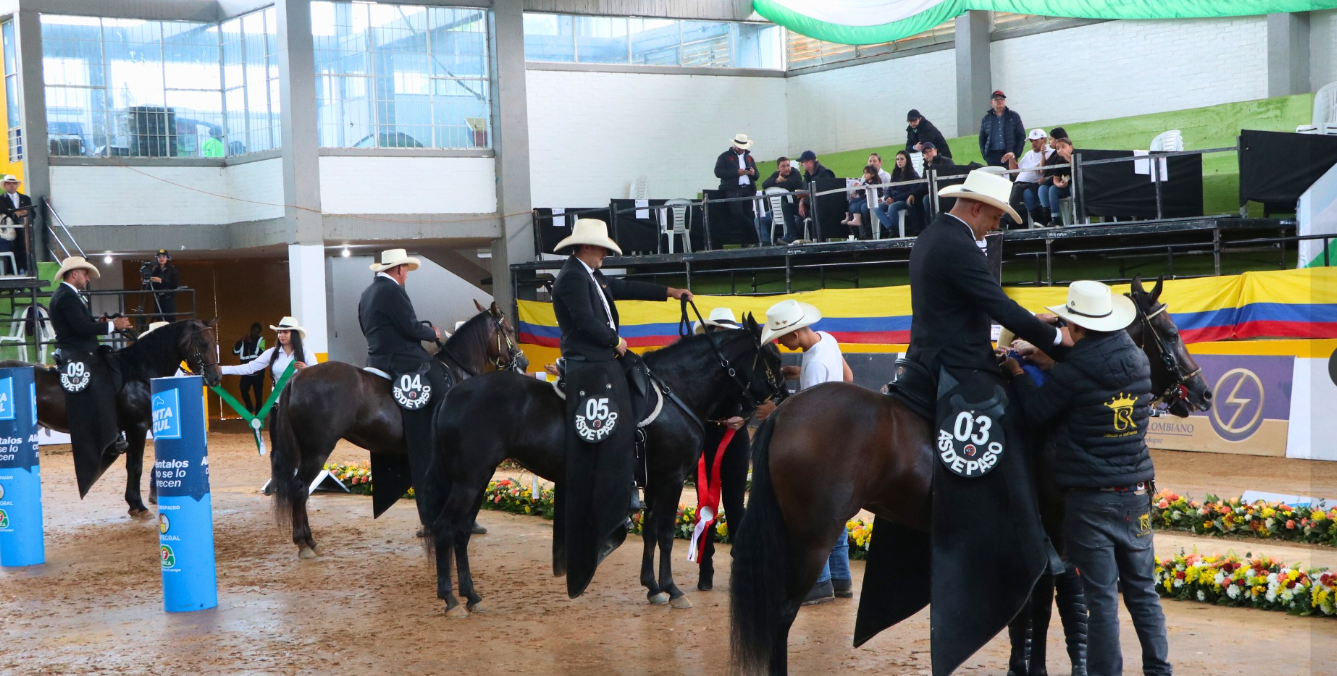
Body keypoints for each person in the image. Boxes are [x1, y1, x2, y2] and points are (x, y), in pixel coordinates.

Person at [883, 168, 1072, 673]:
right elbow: (997, 305)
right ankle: (1028, 530)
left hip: (926, 356)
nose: (994, 225)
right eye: (993, 216)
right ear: (974, 207)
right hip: (959, 365)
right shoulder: (961, 242)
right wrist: (1054, 340)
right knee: (1015, 422)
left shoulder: (932, 235)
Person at [1003, 280, 1171, 676]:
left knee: (1101, 601)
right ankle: (1160, 671)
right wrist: (1054, 361)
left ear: (1077, 327)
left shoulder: (1074, 370)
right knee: (1144, 594)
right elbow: (1095, 368)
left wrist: (1017, 371)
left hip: (1091, 500)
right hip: (1136, 494)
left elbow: (1036, 412)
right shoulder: (1138, 360)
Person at [550, 218, 692, 598]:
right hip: (589, 362)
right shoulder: (572, 278)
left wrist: (669, 292)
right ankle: (623, 478)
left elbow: (627, 287)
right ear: (582, 248)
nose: (604, 254)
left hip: (606, 356)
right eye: (600, 249)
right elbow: (583, 321)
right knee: (620, 408)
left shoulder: (592, 275)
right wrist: (616, 341)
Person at [754, 299, 852, 604]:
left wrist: (775, 409)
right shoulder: (829, 341)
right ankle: (841, 578)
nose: (781, 343)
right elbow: (847, 379)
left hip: (821, 445)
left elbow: (808, 413)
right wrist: (800, 374)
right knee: (837, 512)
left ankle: (817, 583)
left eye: (781, 338)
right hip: (841, 438)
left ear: (794, 334)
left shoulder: (814, 362)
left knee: (813, 514)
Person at [358, 248, 447, 518]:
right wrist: (432, 332)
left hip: (376, 359)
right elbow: (410, 327)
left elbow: (366, 327)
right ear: (398, 269)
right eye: (406, 269)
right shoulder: (392, 290)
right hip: (402, 361)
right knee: (441, 383)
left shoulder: (367, 293)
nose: (407, 273)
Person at [49, 256, 132, 497]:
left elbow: (83, 324)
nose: (87, 279)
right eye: (85, 274)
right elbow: (81, 329)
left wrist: (100, 322)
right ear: (74, 274)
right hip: (77, 352)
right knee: (102, 379)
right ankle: (110, 434)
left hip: (78, 348)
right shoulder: (66, 297)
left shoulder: (66, 295)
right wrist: (112, 326)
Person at [221, 316, 316, 383]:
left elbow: (317, 376)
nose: (281, 335)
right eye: (279, 332)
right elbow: (250, 368)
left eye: (285, 332)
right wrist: (221, 369)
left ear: (294, 334)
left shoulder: (306, 353)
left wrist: (306, 369)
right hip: (278, 402)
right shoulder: (271, 353)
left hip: (300, 403)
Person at [714, 134, 759, 244]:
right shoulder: (724, 156)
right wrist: (736, 173)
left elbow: (757, 176)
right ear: (734, 145)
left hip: (748, 188)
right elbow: (718, 172)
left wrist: (752, 173)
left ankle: (746, 242)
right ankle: (755, 233)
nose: (741, 149)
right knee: (737, 213)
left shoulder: (749, 158)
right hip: (733, 189)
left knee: (748, 213)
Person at [1006, 129, 1054, 228]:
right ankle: (1039, 221)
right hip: (1022, 184)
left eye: (1035, 140)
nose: (1033, 143)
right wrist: (1012, 159)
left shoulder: (1050, 152)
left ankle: (1005, 219)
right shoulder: (1028, 154)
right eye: (1031, 141)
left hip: (1036, 184)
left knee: (1019, 188)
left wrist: (1042, 160)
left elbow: (1043, 171)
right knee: (1021, 190)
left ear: (1044, 140)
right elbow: (1015, 173)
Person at [875, 150, 927, 237]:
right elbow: (889, 188)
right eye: (897, 159)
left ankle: (895, 229)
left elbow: (911, 192)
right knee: (877, 207)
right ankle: (891, 229)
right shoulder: (895, 173)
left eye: (902, 159)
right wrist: (887, 197)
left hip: (904, 200)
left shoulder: (912, 174)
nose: (899, 161)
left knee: (892, 207)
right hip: (893, 199)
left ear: (907, 160)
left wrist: (894, 199)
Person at [759, 156, 803, 244]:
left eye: (788, 165)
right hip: (778, 211)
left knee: (798, 221)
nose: (787, 168)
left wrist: (778, 183)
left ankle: (790, 239)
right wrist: (776, 180)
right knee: (758, 219)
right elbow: (764, 185)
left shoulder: (795, 173)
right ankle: (765, 242)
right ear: (778, 168)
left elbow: (792, 183)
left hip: (795, 210)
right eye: (783, 166)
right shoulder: (776, 175)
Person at [979, 90, 1025, 169]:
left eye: (1002, 99)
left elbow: (1021, 136)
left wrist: (1016, 154)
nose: (1000, 101)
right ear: (991, 102)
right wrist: (985, 154)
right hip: (992, 156)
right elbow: (982, 138)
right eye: (997, 99)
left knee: (1009, 178)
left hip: (1009, 154)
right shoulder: (986, 119)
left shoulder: (1013, 116)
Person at [233, 323, 266, 415]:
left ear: (259, 333)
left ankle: (258, 414)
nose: (253, 333)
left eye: (256, 332)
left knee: (258, 394)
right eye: (252, 331)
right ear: (250, 329)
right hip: (246, 372)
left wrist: (251, 343)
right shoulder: (243, 341)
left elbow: (260, 353)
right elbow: (235, 352)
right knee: (243, 390)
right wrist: (240, 341)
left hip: (258, 373)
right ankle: (250, 407)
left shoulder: (261, 340)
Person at [0, 175, 31, 274]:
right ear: (5, 185)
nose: (12, 186)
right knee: (11, 250)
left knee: (25, 251)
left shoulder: (25, 198)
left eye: (14, 183)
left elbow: (32, 214)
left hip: (23, 231)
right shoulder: (1, 199)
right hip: (8, 231)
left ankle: (25, 271)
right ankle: (13, 272)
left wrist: (25, 213)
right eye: (9, 183)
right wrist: (13, 214)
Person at [1040, 137, 1075, 224]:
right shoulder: (1059, 161)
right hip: (1067, 185)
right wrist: (1059, 184)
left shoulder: (1075, 155)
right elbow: (1056, 178)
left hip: (1079, 185)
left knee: (1073, 188)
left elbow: (1075, 163)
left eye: (1063, 146)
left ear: (1070, 147)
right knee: (1053, 189)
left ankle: (1076, 215)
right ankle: (1055, 218)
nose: (1060, 150)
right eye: (1058, 148)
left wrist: (1065, 155)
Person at [796, 149, 835, 226]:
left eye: (802, 162)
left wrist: (805, 194)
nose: (801, 164)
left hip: (823, 207)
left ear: (810, 162)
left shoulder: (825, 173)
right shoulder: (807, 175)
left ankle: (815, 237)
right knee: (787, 208)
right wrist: (801, 203)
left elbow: (825, 193)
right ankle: (792, 235)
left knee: (812, 211)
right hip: (810, 205)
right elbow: (806, 191)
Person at [842, 165, 881, 240]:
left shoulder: (877, 182)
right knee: (852, 201)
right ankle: (848, 218)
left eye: (867, 173)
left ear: (872, 174)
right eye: (864, 173)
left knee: (860, 204)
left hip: (871, 198)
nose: (865, 175)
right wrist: (858, 188)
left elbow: (879, 192)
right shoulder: (865, 182)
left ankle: (857, 219)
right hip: (864, 197)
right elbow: (861, 193)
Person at [148, 248, 180, 322]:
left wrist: (161, 281)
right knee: (159, 321)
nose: (161, 259)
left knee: (170, 320)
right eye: (159, 257)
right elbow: (151, 287)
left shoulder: (172, 269)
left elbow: (174, 285)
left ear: (167, 258)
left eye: (164, 257)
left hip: (168, 298)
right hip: (158, 299)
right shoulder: (154, 270)